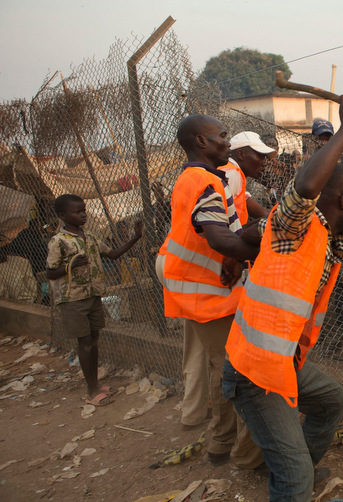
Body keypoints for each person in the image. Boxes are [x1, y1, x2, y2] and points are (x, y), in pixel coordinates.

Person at [222, 95, 343, 502]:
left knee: (331, 400)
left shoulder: (322, 236)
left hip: (282, 363)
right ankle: (294, 479)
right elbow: (305, 186)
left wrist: (241, 249)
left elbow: (257, 231)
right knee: (294, 480)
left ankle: (297, 468)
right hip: (257, 373)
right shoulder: (300, 226)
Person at [158, 114, 260, 467]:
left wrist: (235, 252)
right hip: (208, 297)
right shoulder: (202, 183)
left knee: (223, 370)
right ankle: (249, 455)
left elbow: (222, 236)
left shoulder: (204, 180)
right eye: (222, 135)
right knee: (241, 373)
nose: (227, 142)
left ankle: (221, 442)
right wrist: (255, 251)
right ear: (201, 141)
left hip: (210, 294)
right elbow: (219, 237)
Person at [46, 194, 142, 406]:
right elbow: (51, 273)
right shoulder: (58, 242)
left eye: (84, 210)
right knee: (85, 343)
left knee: (93, 340)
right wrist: (72, 265)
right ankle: (91, 391)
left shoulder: (89, 237)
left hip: (93, 295)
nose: (83, 215)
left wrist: (135, 237)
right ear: (62, 215)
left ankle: (96, 384)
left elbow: (113, 254)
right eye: (77, 212)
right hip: (73, 299)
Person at [220, 131, 275, 223]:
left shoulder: (234, 172)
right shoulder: (232, 173)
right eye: (260, 156)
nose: (264, 163)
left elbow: (245, 199)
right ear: (241, 154)